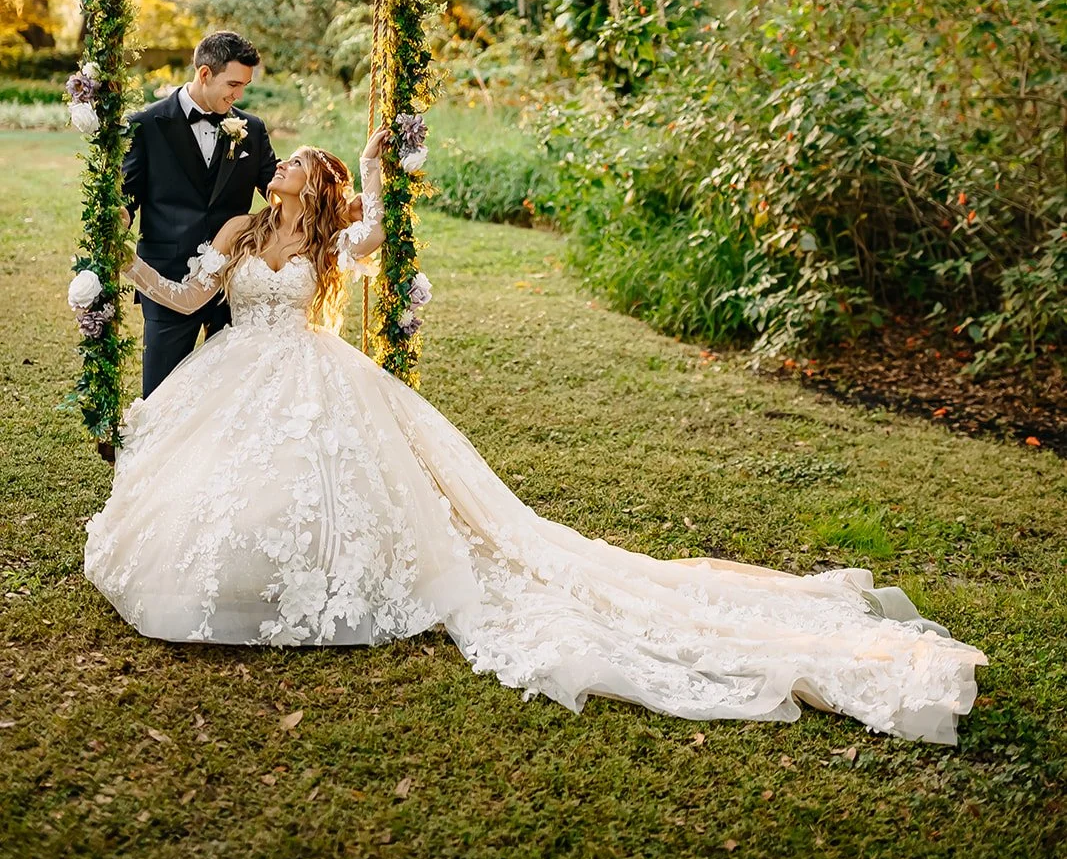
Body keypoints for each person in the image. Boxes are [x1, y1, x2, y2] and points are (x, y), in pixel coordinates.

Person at [86, 132, 987, 746]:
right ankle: (242, 580)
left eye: (296, 169)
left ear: (311, 191)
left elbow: (374, 217)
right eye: (283, 165)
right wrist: (111, 262)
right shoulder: (239, 231)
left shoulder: (332, 244)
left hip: (315, 378)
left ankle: (313, 583)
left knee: (326, 488)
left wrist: (370, 159)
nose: (279, 168)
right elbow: (182, 299)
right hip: (240, 374)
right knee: (230, 488)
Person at [121, 30, 278, 398]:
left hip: (232, 280)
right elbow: (126, 196)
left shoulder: (251, 129)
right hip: (167, 279)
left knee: (231, 397)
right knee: (160, 394)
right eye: (233, 84)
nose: (238, 95)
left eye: (244, 87)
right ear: (205, 74)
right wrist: (119, 219)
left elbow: (277, 189)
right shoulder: (145, 125)